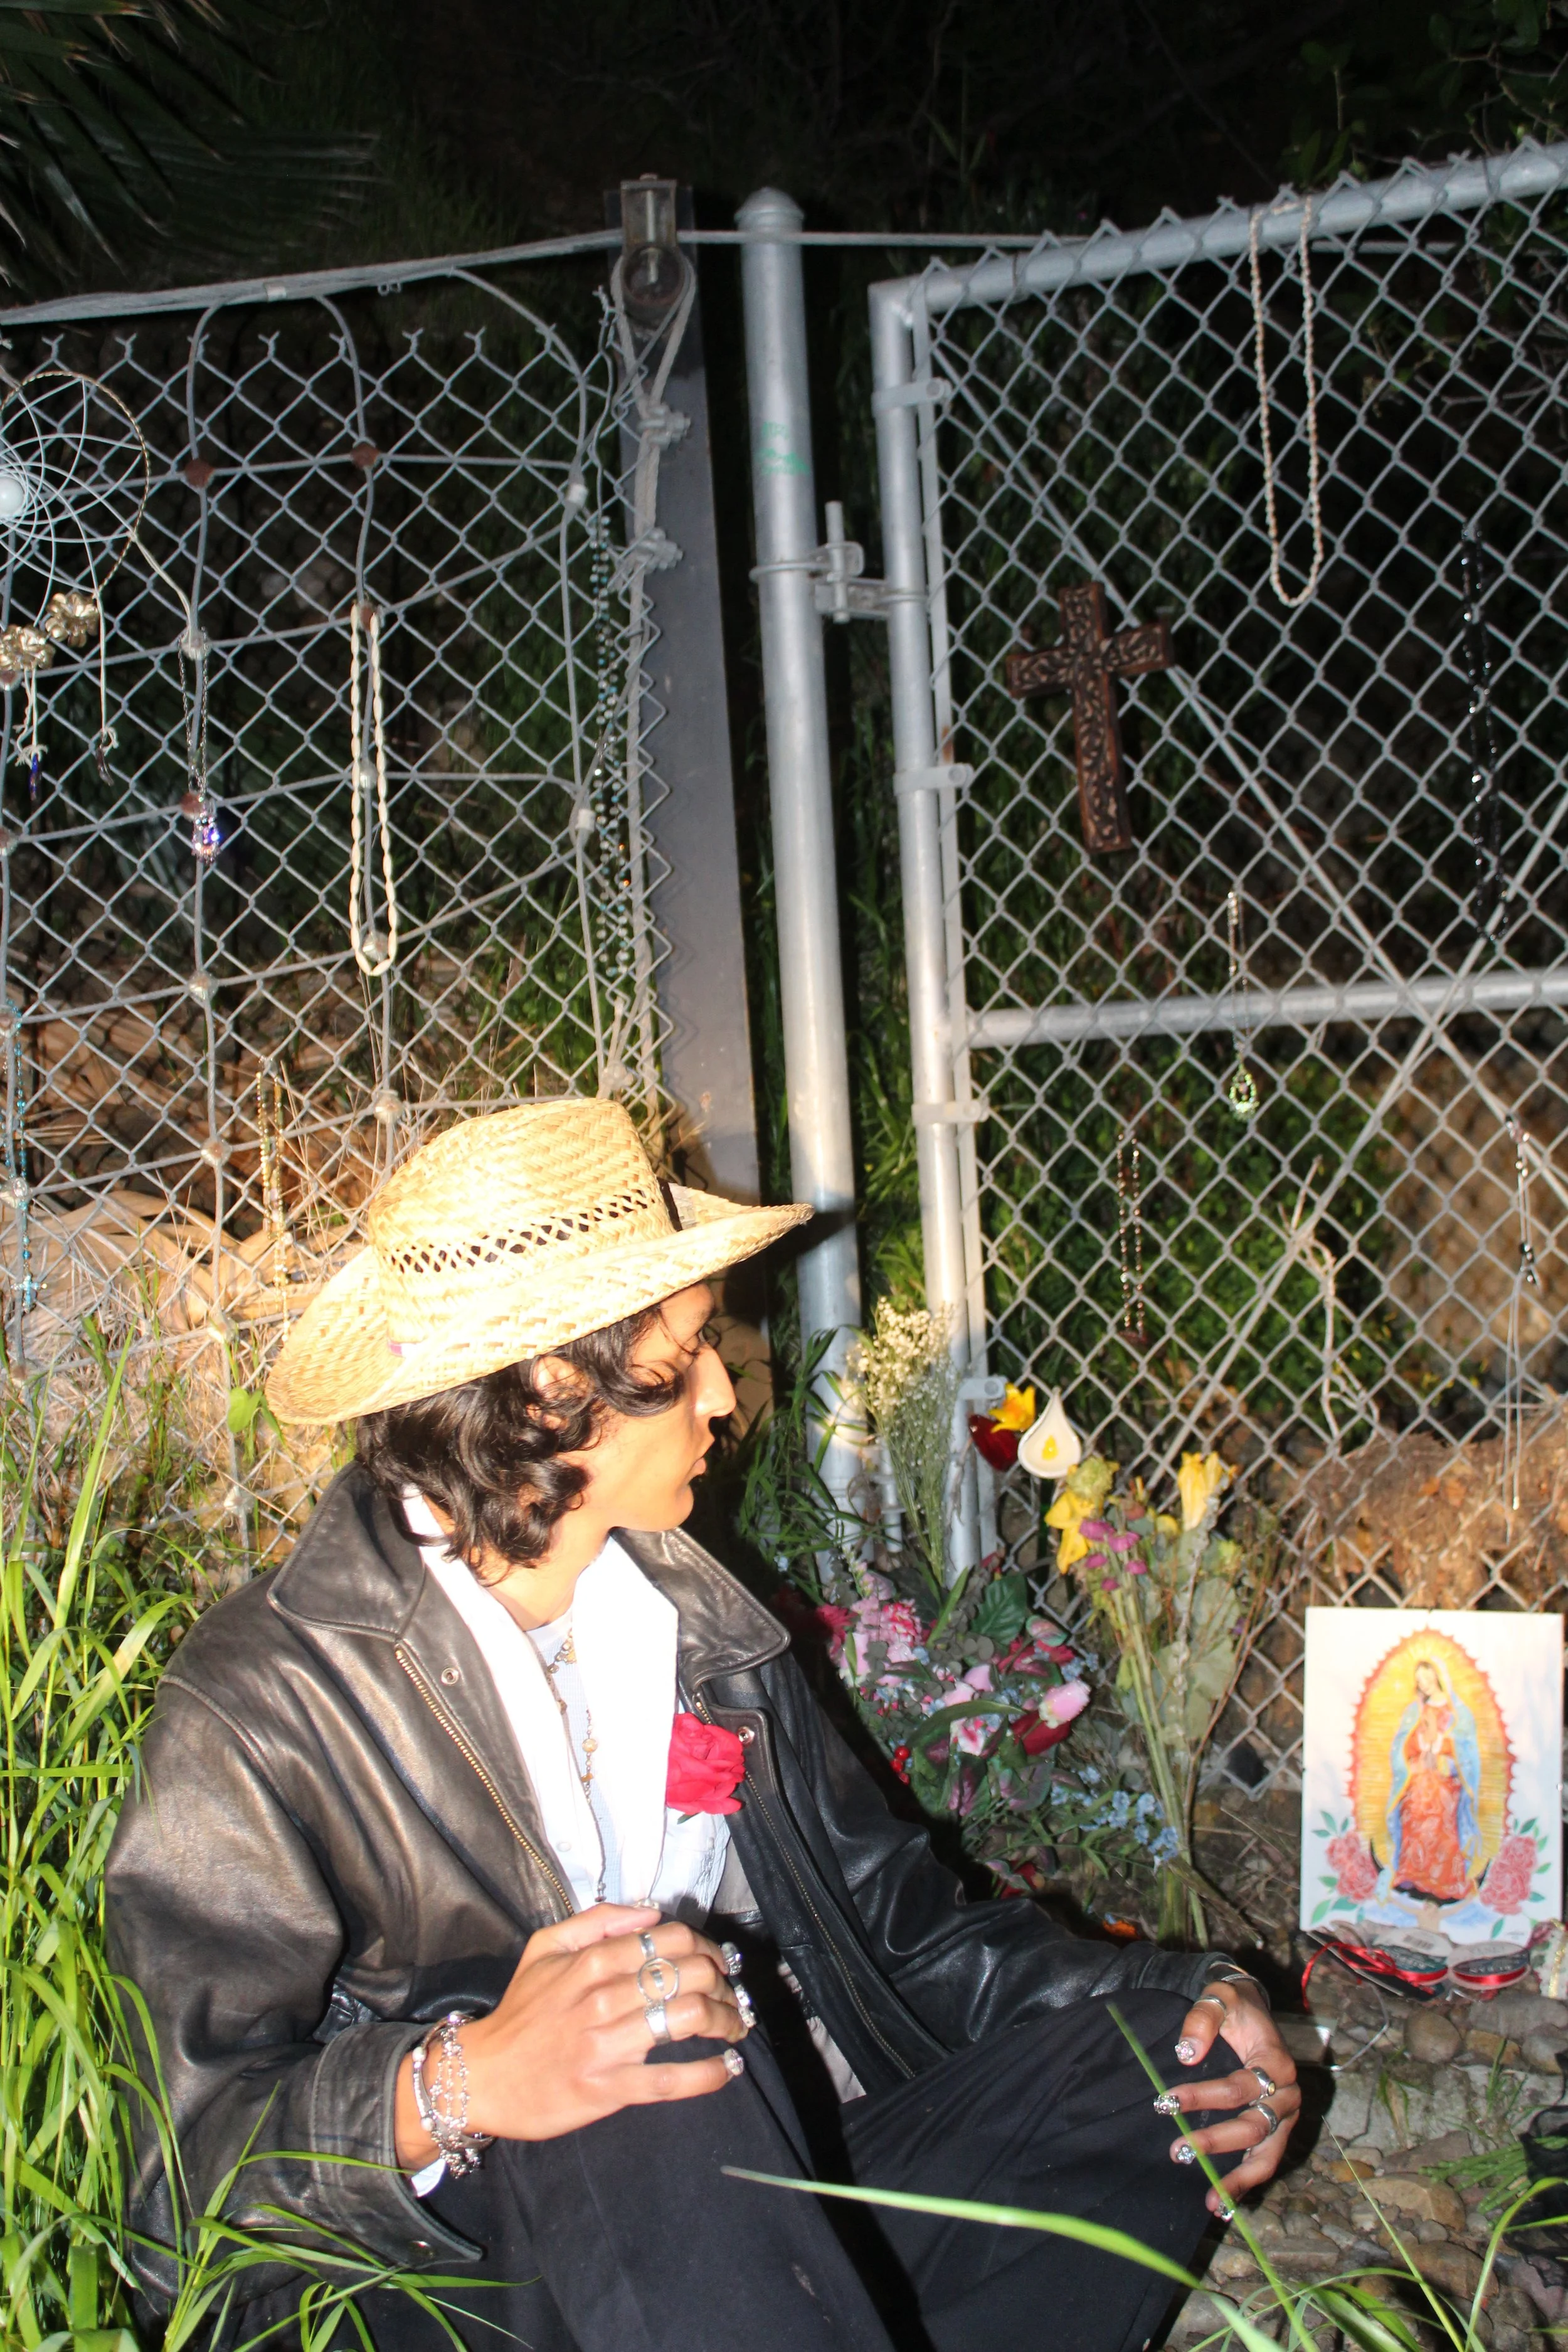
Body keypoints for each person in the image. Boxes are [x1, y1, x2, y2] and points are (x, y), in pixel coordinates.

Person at [106, 1098, 1300, 2352]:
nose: (725, 1394)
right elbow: (174, 2187)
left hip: (732, 2227)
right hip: (447, 2283)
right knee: (644, 2029)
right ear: (555, 1384)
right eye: (689, 1352)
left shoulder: (694, 1617)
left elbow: (902, 1927)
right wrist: (465, 2080)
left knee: (1162, 2074)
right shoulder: (263, 1703)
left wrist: (1193, 1992)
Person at [1386, 1655, 1483, 1904]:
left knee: (1440, 1822)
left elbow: (1466, 1746)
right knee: (1412, 1814)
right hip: (1420, 1777)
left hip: (1444, 1778)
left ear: (1438, 1677)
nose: (1425, 1684)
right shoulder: (1417, 1709)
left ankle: (1443, 1881)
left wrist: (1442, 1746)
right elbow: (1403, 1743)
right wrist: (1418, 1745)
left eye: (1428, 1679)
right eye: (1420, 1681)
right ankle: (1412, 1876)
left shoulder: (1456, 1711)